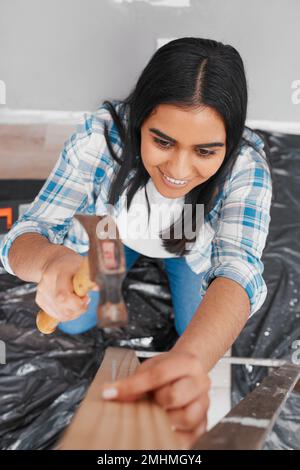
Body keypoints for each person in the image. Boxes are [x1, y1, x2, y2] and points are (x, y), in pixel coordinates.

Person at [0, 37, 272, 439]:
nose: (178, 170)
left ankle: (170, 266)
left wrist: (191, 362)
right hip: (111, 233)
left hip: (187, 239)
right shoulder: (102, 137)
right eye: (162, 141)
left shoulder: (247, 164)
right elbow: (29, 233)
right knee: (77, 322)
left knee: (197, 329)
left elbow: (238, 267)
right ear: (139, 120)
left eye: (205, 151)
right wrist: (50, 262)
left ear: (228, 145)